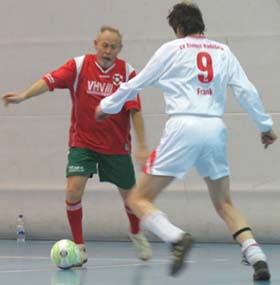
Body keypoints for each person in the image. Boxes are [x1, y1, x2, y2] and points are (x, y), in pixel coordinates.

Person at [95, 2, 278, 280]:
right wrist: (265, 126)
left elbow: (136, 83)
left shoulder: (172, 49)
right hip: (215, 129)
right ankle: (257, 257)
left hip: (183, 126)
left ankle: (176, 237)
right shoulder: (223, 51)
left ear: (178, 28)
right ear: (200, 24)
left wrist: (106, 106)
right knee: (224, 204)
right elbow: (246, 90)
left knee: (137, 198)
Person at [2, 26, 152, 265]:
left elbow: (136, 112)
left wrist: (142, 146)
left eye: (113, 46)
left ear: (119, 49)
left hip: (116, 146)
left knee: (131, 198)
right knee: (73, 191)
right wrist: (23, 96)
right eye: (104, 45)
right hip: (83, 142)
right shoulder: (80, 66)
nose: (108, 50)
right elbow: (48, 81)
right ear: (95, 44)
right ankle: (79, 246)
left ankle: (136, 233)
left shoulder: (127, 72)